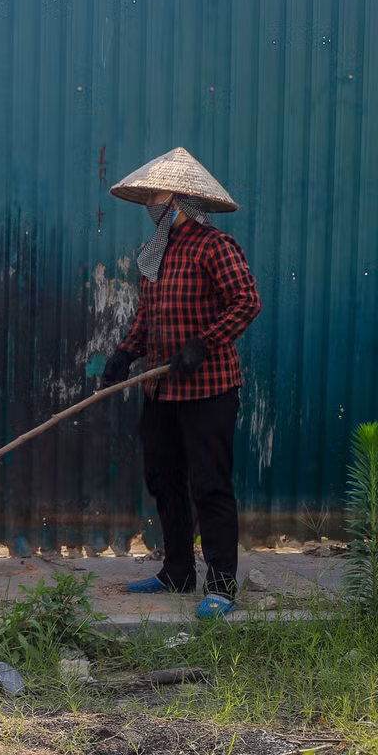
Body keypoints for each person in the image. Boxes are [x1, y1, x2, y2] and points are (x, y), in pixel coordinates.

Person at [102, 147, 261, 620]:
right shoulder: (157, 252)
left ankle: (222, 585)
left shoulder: (215, 246)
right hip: (162, 390)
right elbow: (148, 317)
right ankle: (177, 571)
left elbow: (247, 301)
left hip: (209, 388)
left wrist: (202, 345)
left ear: (179, 201)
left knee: (210, 485)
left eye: (157, 196)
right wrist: (125, 353)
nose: (151, 203)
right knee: (164, 478)